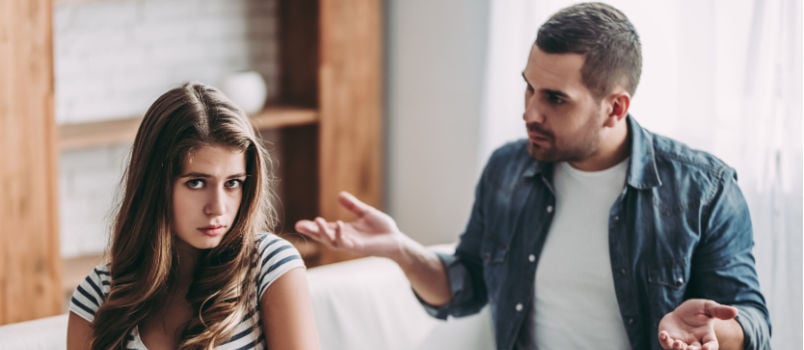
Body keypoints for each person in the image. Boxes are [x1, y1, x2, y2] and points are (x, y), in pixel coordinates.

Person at [295, 2, 771, 350]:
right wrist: (400, 250)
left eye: (555, 99)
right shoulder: (510, 168)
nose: (529, 112)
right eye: (528, 88)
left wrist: (716, 333)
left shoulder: (703, 189)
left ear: (615, 108)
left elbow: (754, 324)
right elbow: (465, 288)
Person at [66, 82, 320, 350]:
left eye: (232, 183)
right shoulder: (97, 296)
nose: (218, 208)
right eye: (197, 183)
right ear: (155, 186)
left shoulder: (268, 267)